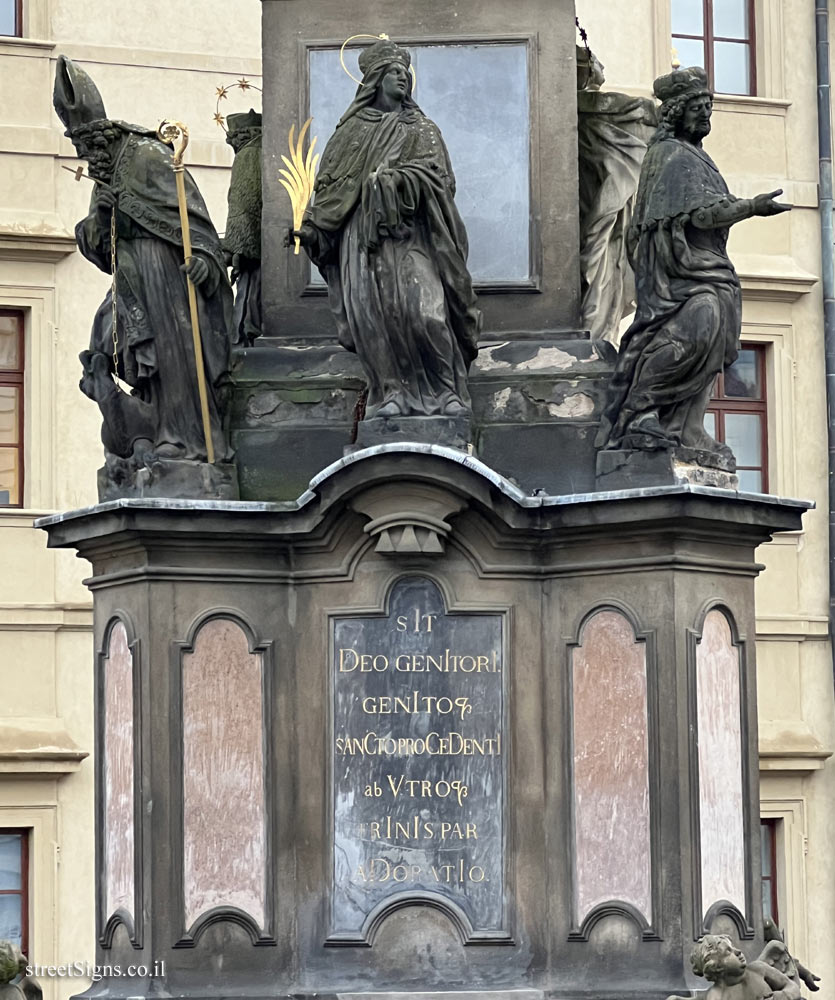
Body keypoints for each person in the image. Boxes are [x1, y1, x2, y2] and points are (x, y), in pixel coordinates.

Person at [595, 67, 789, 462]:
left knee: (715, 338)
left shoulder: (697, 157)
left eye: (709, 108)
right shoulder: (670, 154)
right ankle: (641, 411)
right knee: (697, 326)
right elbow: (701, 215)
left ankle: (688, 426)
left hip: (708, 267)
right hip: (679, 273)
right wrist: (751, 207)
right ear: (677, 112)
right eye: (698, 108)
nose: (706, 116)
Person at [53, 55, 233, 466]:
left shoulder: (149, 156)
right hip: (133, 276)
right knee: (139, 355)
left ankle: (189, 439)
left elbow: (193, 220)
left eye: (83, 145)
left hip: (167, 274)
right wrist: (101, 214)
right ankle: (158, 431)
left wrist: (204, 259)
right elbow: (99, 248)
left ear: (102, 137)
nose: (82, 155)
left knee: (176, 353)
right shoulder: (106, 171)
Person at [292, 38, 482, 420]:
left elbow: (443, 183)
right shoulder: (348, 133)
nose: (402, 78)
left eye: (405, 73)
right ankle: (391, 392)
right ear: (375, 80)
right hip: (362, 244)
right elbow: (330, 195)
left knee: (425, 312)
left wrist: (400, 182)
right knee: (376, 321)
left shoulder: (422, 128)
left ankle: (448, 391)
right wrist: (312, 232)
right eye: (394, 72)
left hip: (411, 236)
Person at [667, 934, 800, 1000]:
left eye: (734, 947)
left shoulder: (758, 970)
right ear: (716, 967)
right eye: (728, 952)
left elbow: (792, 986)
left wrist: (783, 995)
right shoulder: (716, 997)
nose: (738, 951)